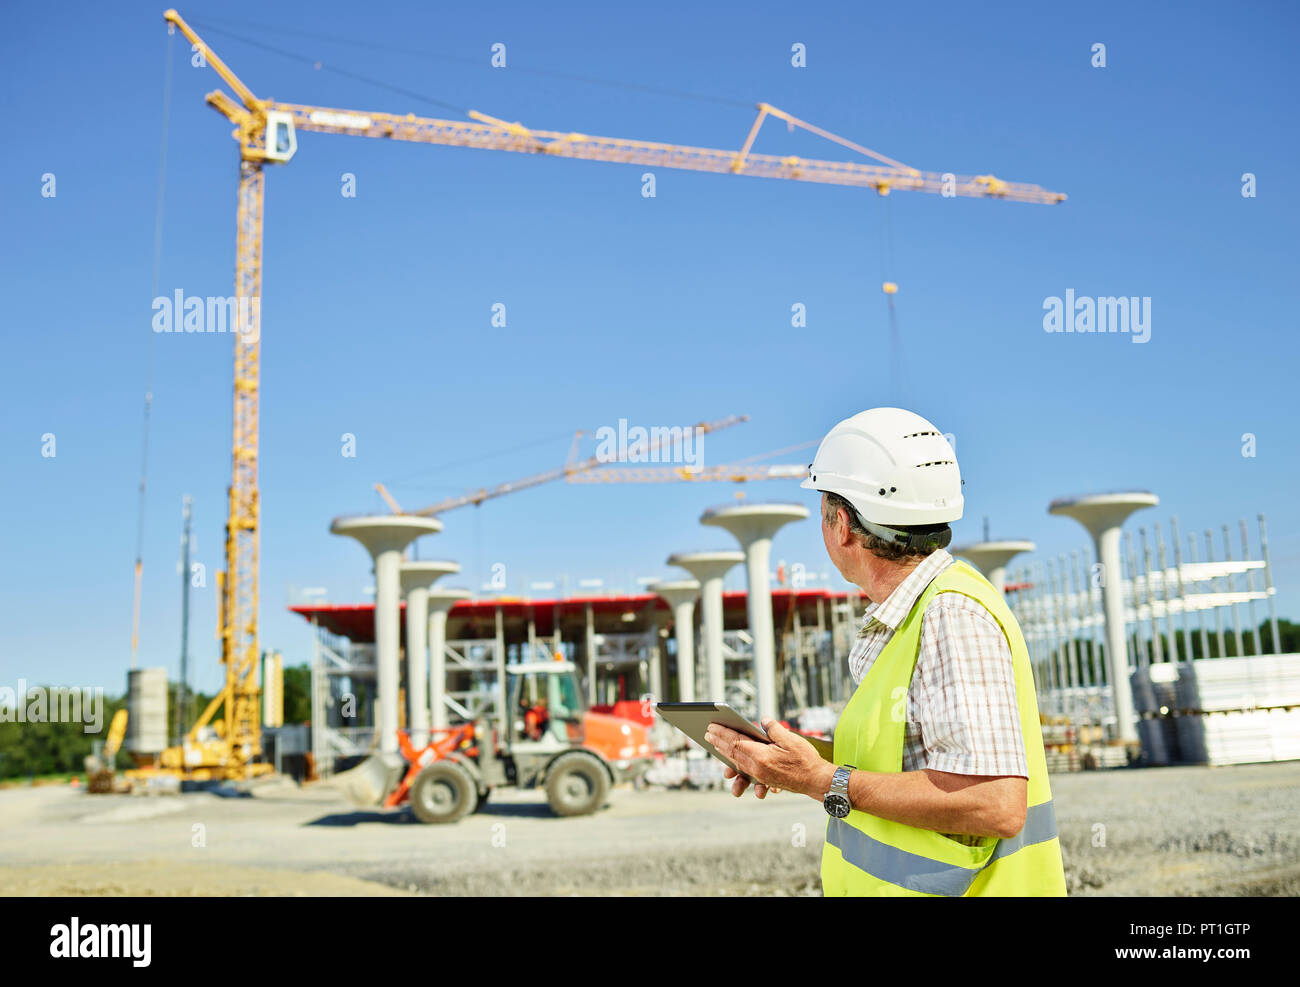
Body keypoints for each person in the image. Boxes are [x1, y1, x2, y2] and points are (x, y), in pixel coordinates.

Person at [705, 407, 1067, 896]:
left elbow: (993, 802)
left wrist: (823, 782)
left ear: (843, 525)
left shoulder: (951, 615)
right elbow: (913, 764)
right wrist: (796, 764)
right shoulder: (913, 617)